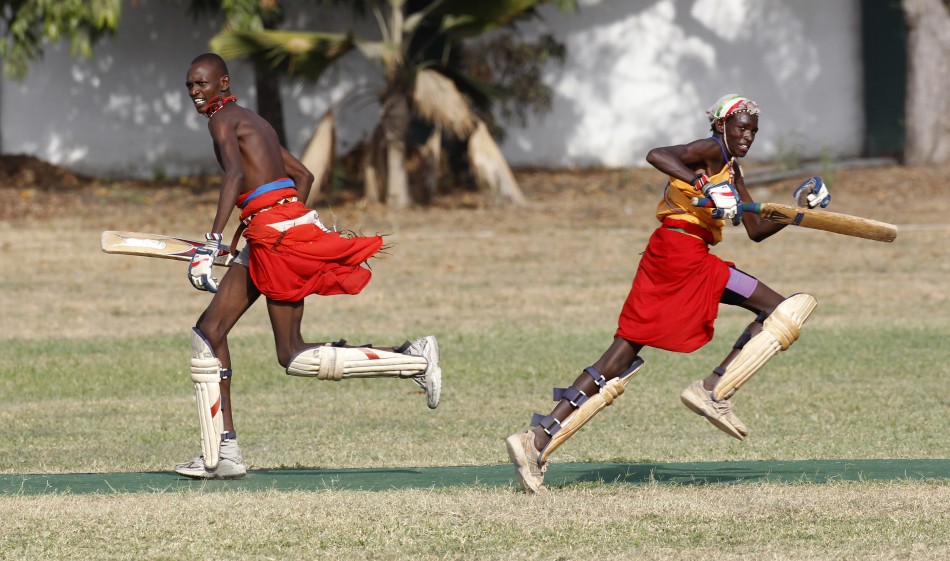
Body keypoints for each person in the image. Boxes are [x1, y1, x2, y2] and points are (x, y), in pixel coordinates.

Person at [505, 94, 831, 493]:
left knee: (622, 353)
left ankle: (536, 440)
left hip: (672, 253)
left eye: (753, 131)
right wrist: (702, 186)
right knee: (780, 310)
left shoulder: (731, 168)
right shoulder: (711, 150)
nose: (748, 136)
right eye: (741, 127)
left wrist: (800, 211)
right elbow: (657, 154)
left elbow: (755, 229)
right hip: (682, 253)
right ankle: (713, 388)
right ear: (721, 125)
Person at [175, 53, 442, 480]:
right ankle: (222, 453)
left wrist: (212, 241)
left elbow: (233, 177)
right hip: (274, 234)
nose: (195, 93)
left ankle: (413, 358)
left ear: (223, 83)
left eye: (201, 84)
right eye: (189, 85)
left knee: (293, 355)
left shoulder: (221, 120)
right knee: (208, 334)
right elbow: (303, 177)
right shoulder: (256, 123)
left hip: (275, 237)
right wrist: (276, 221)